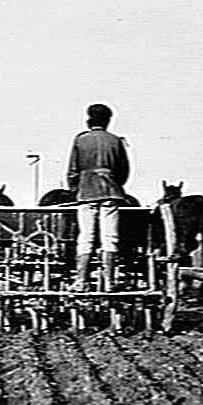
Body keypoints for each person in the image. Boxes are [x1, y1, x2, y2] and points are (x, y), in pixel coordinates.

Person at [67, 103, 130, 291]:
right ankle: (109, 282)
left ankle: (81, 281)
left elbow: (72, 170)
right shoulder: (115, 141)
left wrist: (76, 189)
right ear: (108, 121)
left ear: (89, 120)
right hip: (111, 193)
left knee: (86, 237)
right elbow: (124, 170)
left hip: (86, 193)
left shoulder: (80, 140)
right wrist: (115, 184)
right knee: (110, 237)